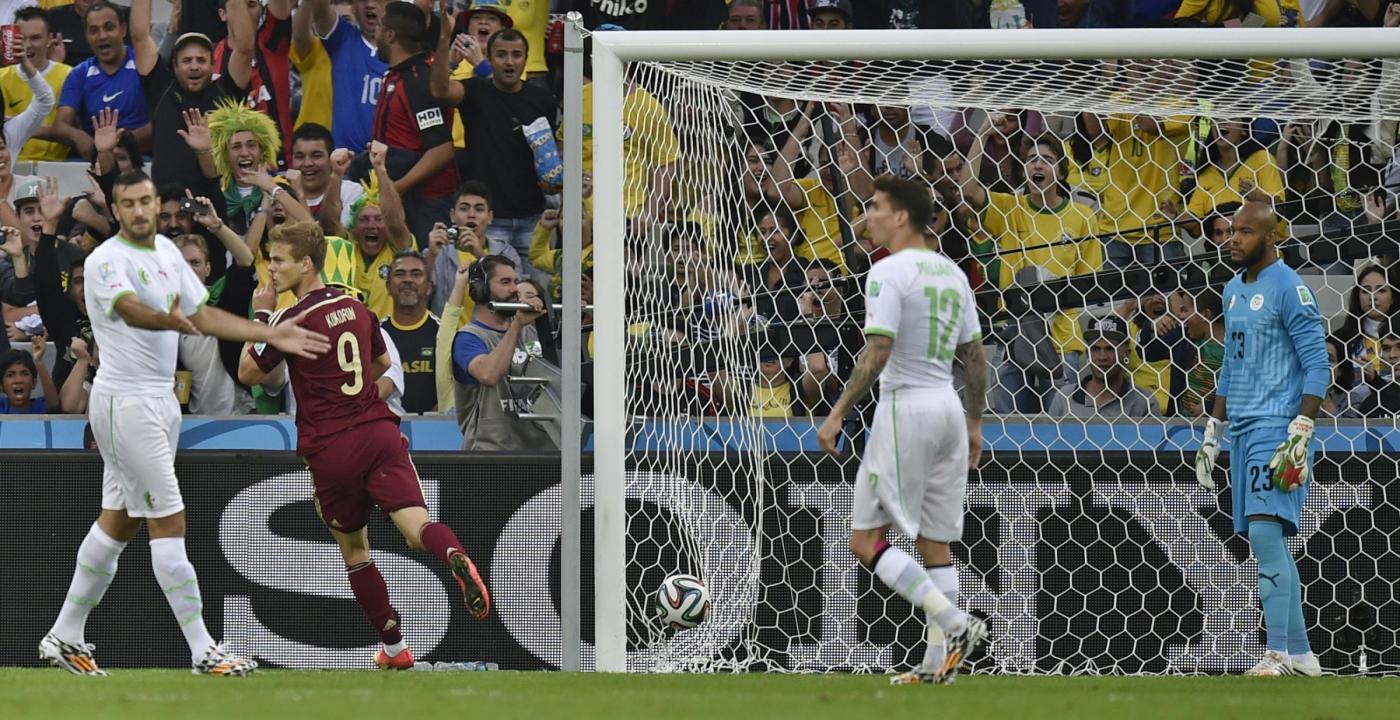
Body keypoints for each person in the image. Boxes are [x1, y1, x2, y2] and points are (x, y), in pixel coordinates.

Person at [39, 168, 329, 677]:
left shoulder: (168, 255)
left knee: (119, 519)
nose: (138, 211)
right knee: (169, 521)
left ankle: (65, 633)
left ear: (155, 205)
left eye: (145, 201)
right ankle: (202, 649)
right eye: (127, 203)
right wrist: (168, 318)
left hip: (158, 400)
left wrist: (270, 335)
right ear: (116, 209)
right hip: (126, 401)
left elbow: (204, 314)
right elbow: (130, 309)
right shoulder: (106, 259)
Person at [237, 220, 491, 670]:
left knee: (356, 552)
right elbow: (382, 362)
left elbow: (247, 372)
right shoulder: (356, 306)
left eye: (279, 260)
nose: (271, 269)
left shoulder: (291, 319)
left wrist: (261, 314)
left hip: (331, 447)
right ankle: (453, 553)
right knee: (417, 527)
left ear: (306, 264)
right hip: (377, 432)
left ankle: (394, 648)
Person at [815, 175, 989, 685]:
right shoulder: (953, 273)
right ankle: (938, 667)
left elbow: (879, 350)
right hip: (948, 410)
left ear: (900, 216)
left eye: (874, 207)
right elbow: (975, 358)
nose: (866, 216)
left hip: (904, 410)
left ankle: (956, 623)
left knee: (865, 541)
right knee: (935, 543)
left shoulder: (887, 272)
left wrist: (838, 410)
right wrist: (974, 421)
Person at [1194, 200, 1329, 678]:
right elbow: (1231, 366)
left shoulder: (1291, 288)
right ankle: (1302, 656)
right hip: (1243, 431)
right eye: (1232, 231)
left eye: (1245, 232)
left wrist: (1302, 428)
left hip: (1278, 428)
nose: (1233, 239)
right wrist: (1213, 430)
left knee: (1266, 534)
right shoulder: (1231, 290)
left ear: (1272, 237)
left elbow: (1318, 364)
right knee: (1269, 541)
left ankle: (1276, 655)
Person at [431, 15, 557, 282]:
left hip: (533, 218)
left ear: (526, 59)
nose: (509, 62)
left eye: (516, 55)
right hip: (491, 221)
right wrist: (444, 38)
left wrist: (552, 181)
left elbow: (550, 154)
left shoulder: (543, 99)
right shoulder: (474, 91)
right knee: (495, 293)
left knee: (539, 296)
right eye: (501, 55)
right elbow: (440, 91)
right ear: (488, 57)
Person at [132, 0, 252, 190]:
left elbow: (244, 49)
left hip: (216, 201)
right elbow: (140, 37)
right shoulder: (161, 88)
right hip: (168, 203)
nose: (194, 66)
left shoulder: (227, 92)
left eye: (201, 60)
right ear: (175, 66)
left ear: (212, 65)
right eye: (187, 60)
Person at [451, 254, 560, 451]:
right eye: (505, 282)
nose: (515, 289)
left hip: (543, 451)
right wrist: (517, 325)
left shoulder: (532, 331)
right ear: (481, 288)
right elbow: (489, 374)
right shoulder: (468, 338)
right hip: (494, 454)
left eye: (515, 281)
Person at [372, 1, 459, 246]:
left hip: (426, 203)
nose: (375, 34)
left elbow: (442, 149)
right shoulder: (398, 74)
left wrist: (397, 188)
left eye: (379, 28)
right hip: (404, 196)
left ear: (390, 35)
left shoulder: (419, 82)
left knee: (425, 263)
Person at [50, 2, 152, 159]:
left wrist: (126, 142)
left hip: (141, 158)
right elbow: (60, 124)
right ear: (86, 36)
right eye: (94, 30)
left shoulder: (144, 64)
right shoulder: (79, 74)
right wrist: (77, 136)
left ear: (123, 29)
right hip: (96, 157)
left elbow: (164, 117)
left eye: (109, 27)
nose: (102, 36)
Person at [296, 0, 389, 153]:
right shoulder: (343, 38)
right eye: (362, 0)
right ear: (354, 6)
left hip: (390, 160)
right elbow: (319, 10)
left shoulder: (405, 49)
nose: (370, 4)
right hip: (345, 160)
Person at [213, 0, 295, 167]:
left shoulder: (272, 42)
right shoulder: (210, 56)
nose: (246, 13)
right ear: (223, 14)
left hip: (279, 163)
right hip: (233, 168)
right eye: (240, 6)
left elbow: (281, 10)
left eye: (252, 5)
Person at [1046, 315, 1159, 418]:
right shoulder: (1065, 398)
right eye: (1095, 349)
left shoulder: (1144, 401)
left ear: (1126, 354)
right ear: (1088, 354)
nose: (1102, 357)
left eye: (1110, 349)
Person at [1, 7, 69, 161]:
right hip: (9, 164)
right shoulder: (1, 78)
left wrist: (15, 125)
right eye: (21, 38)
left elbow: (70, 129)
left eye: (35, 38)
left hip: (53, 166)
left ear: (49, 40)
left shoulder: (69, 76)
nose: (27, 45)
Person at [382, 250, 439, 414]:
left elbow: (453, 392)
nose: (407, 280)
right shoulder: (376, 335)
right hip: (386, 425)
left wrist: (428, 422)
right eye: (399, 274)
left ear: (429, 287)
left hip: (435, 427)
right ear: (388, 287)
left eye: (416, 274)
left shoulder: (445, 335)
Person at [290, 123, 364, 232]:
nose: (307, 163)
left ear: (331, 158)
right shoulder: (280, 191)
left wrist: (299, 196)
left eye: (316, 156)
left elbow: (335, 236)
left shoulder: (350, 191)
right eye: (300, 157)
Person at [0, 338, 58, 413]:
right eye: (10, 375)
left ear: (34, 383)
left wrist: (38, 361)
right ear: (1, 385)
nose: (18, 380)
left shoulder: (39, 405)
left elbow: (54, 405)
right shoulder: (2, 406)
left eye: (25, 374)